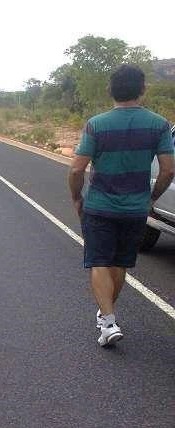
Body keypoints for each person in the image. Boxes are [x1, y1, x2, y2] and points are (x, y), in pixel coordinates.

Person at [68, 64, 175, 346]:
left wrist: (77, 197)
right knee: (120, 262)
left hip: (100, 206)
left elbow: (77, 169)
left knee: (99, 261)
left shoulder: (97, 124)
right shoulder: (160, 125)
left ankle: (108, 319)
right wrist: (151, 198)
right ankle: (107, 316)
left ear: (110, 90)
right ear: (142, 90)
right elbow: (167, 170)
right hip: (136, 209)